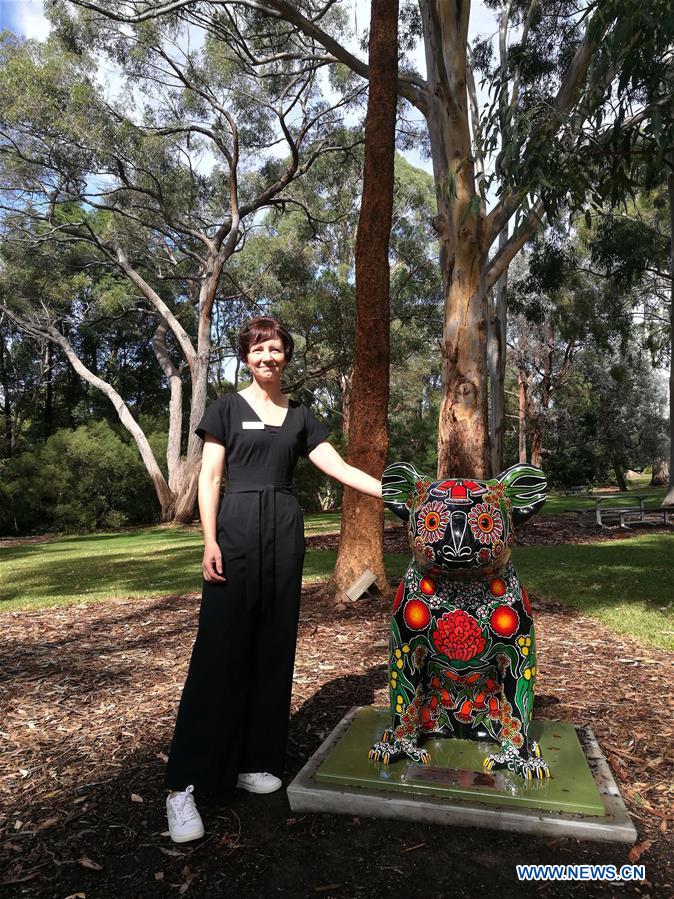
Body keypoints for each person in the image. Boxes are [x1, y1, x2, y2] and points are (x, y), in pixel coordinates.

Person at [164, 316, 382, 843]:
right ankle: (184, 787)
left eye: (277, 349)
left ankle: (254, 760)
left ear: (287, 357)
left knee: (273, 645)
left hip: (284, 530)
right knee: (219, 651)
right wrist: (209, 541)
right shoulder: (225, 408)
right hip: (235, 528)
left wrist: (398, 493)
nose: (268, 357)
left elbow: (340, 469)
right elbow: (211, 477)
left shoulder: (300, 416)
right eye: (259, 349)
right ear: (246, 357)